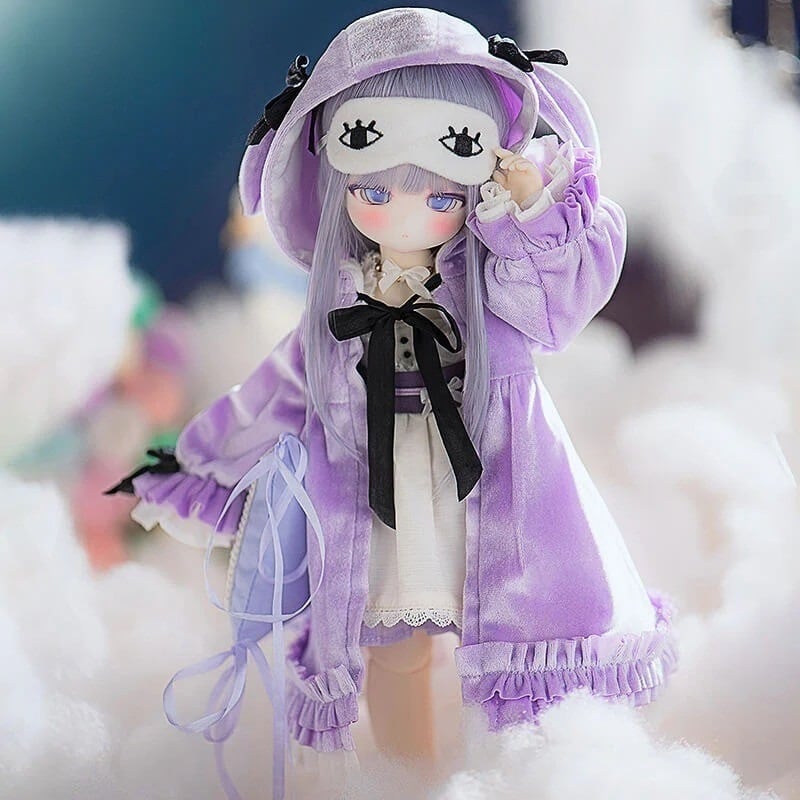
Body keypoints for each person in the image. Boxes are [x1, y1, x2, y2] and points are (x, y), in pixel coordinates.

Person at [111, 7, 678, 794]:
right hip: (377, 492)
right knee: (396, 646)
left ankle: (499, 774)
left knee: (506, 637)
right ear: (339, 185)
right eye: (375, 191)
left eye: (439, 196)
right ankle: (412, 775)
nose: (406, 213)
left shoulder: (494, 283)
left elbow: (559, 306)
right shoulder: (341, 306)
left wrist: (528, 212)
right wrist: (198, 465)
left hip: (492, 483)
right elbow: (277, 392)